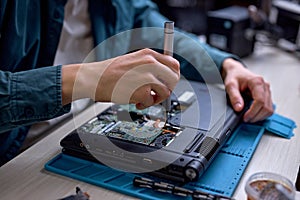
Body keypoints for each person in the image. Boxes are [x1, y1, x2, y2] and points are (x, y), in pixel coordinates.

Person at [0, 0, 274, 165]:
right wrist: (82, 79)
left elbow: (152, 27)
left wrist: (226, 65)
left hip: (79, 132)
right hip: (16, 157)